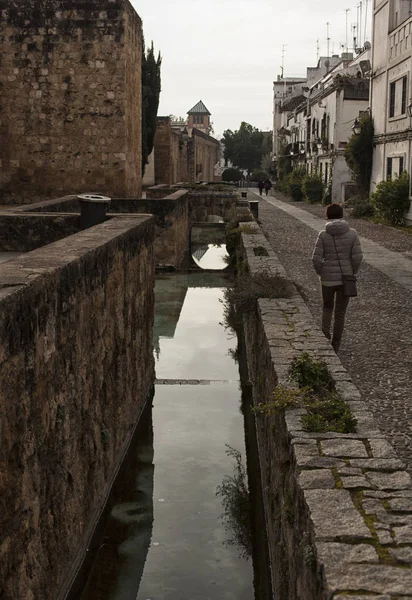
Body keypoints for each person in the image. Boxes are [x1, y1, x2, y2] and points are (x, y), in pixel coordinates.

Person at [312, 203, 363, 353]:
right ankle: (336, 344)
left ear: (327, 215)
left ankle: (325, 335)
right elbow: (358, 257)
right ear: (341, 214)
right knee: (340, 313)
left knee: (327, 308)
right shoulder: (352, 233)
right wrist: (351, 271)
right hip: (345, 278)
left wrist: (321, 272)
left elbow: (315, 259)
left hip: (327, 279)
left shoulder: (323, 234)